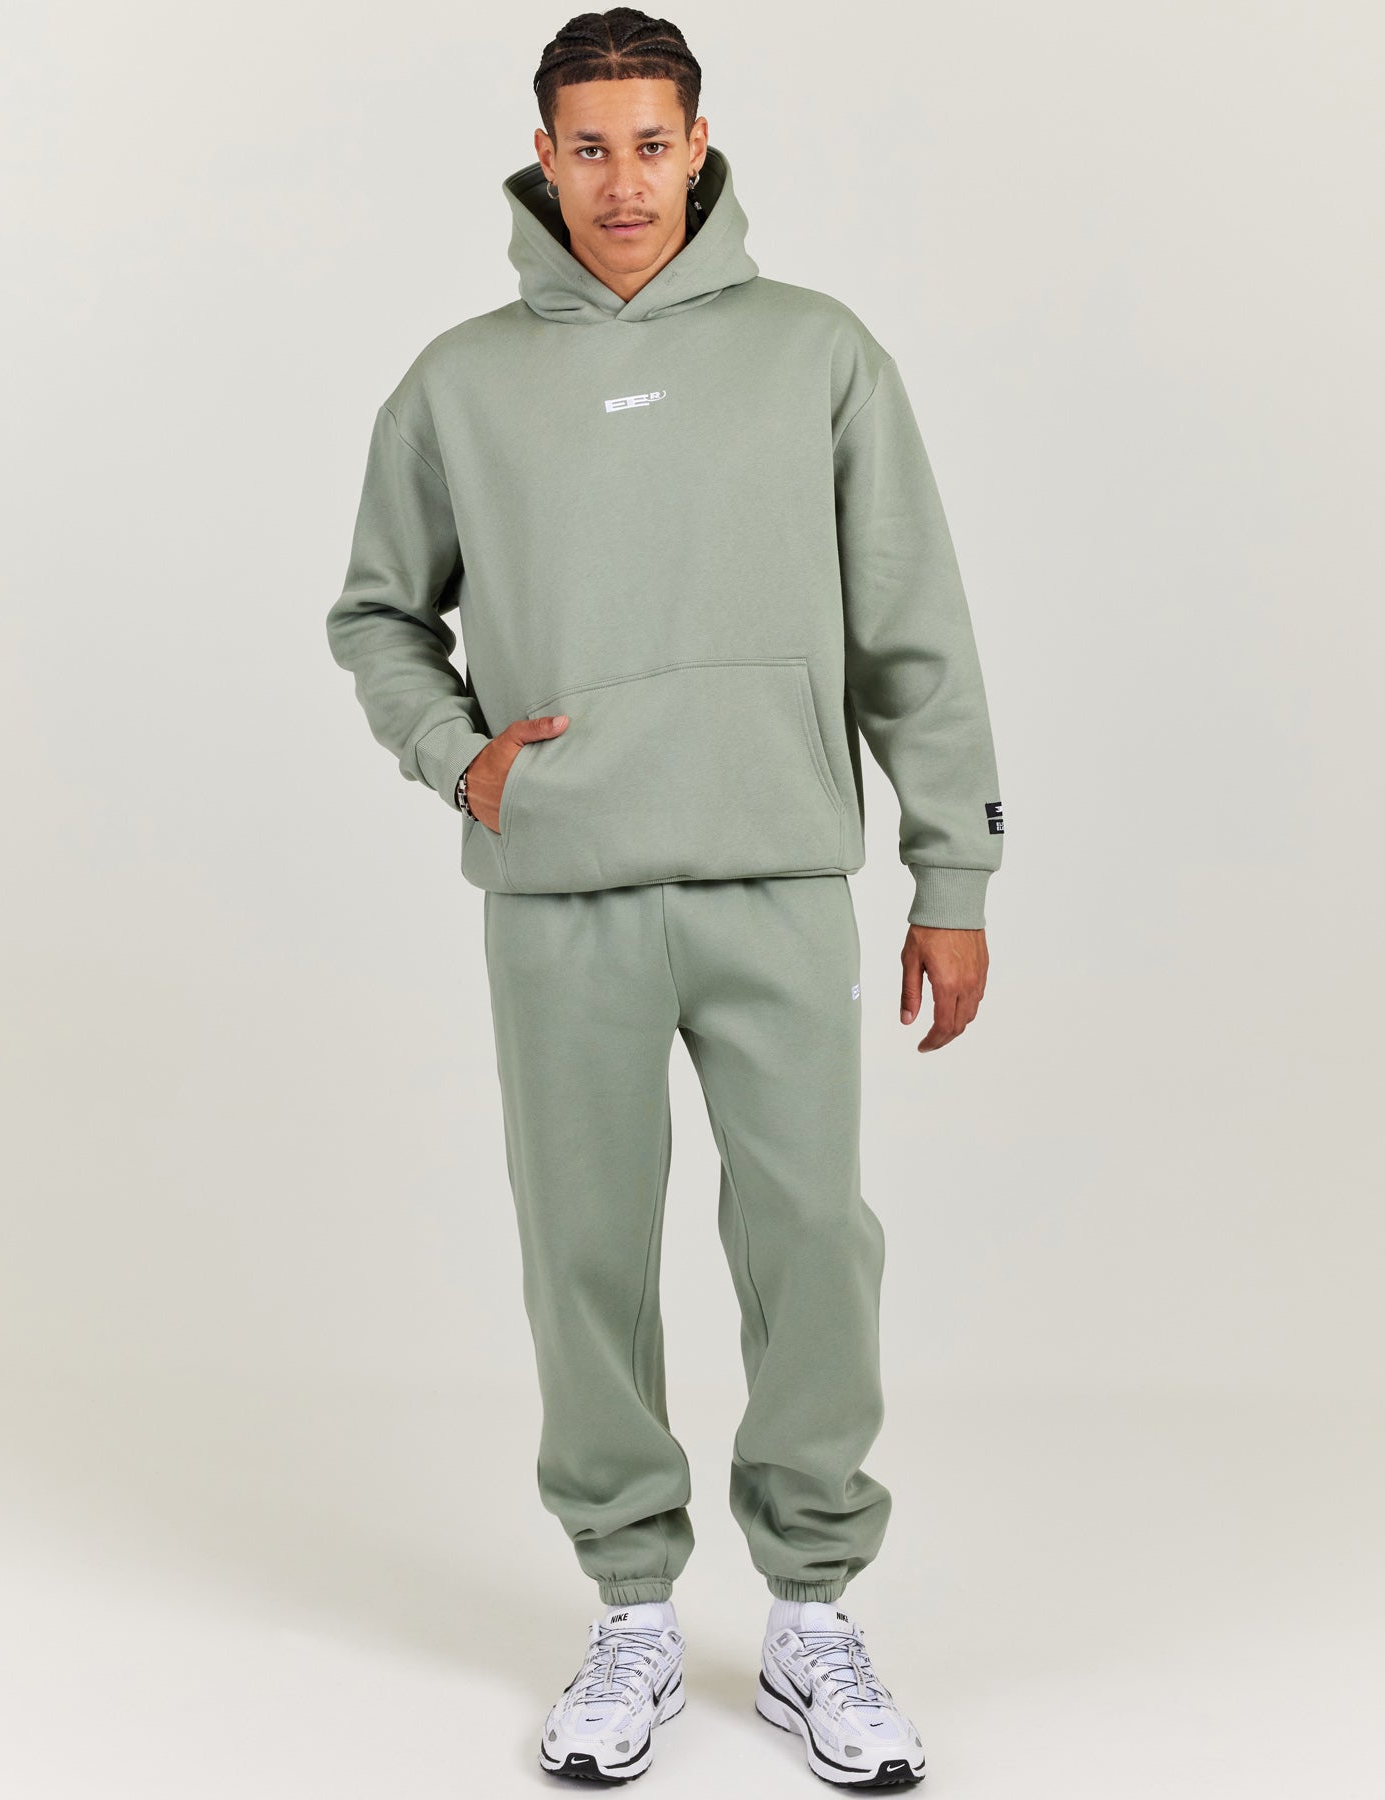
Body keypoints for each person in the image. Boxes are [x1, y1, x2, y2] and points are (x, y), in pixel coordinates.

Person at [325, 8, 1003, 1786]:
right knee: (586, 1254)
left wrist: (953, 866)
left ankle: (810, 1613)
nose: (622, 181)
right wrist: (457, 756)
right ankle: (630, 1602)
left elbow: (915, 627)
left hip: (780, 874)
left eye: (650, 143)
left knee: (813, 1241)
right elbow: (377, 613)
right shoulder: (460, 382)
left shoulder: (818, 352)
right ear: (544, 156)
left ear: (699, 145)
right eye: (589, 147)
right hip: (563, 892)